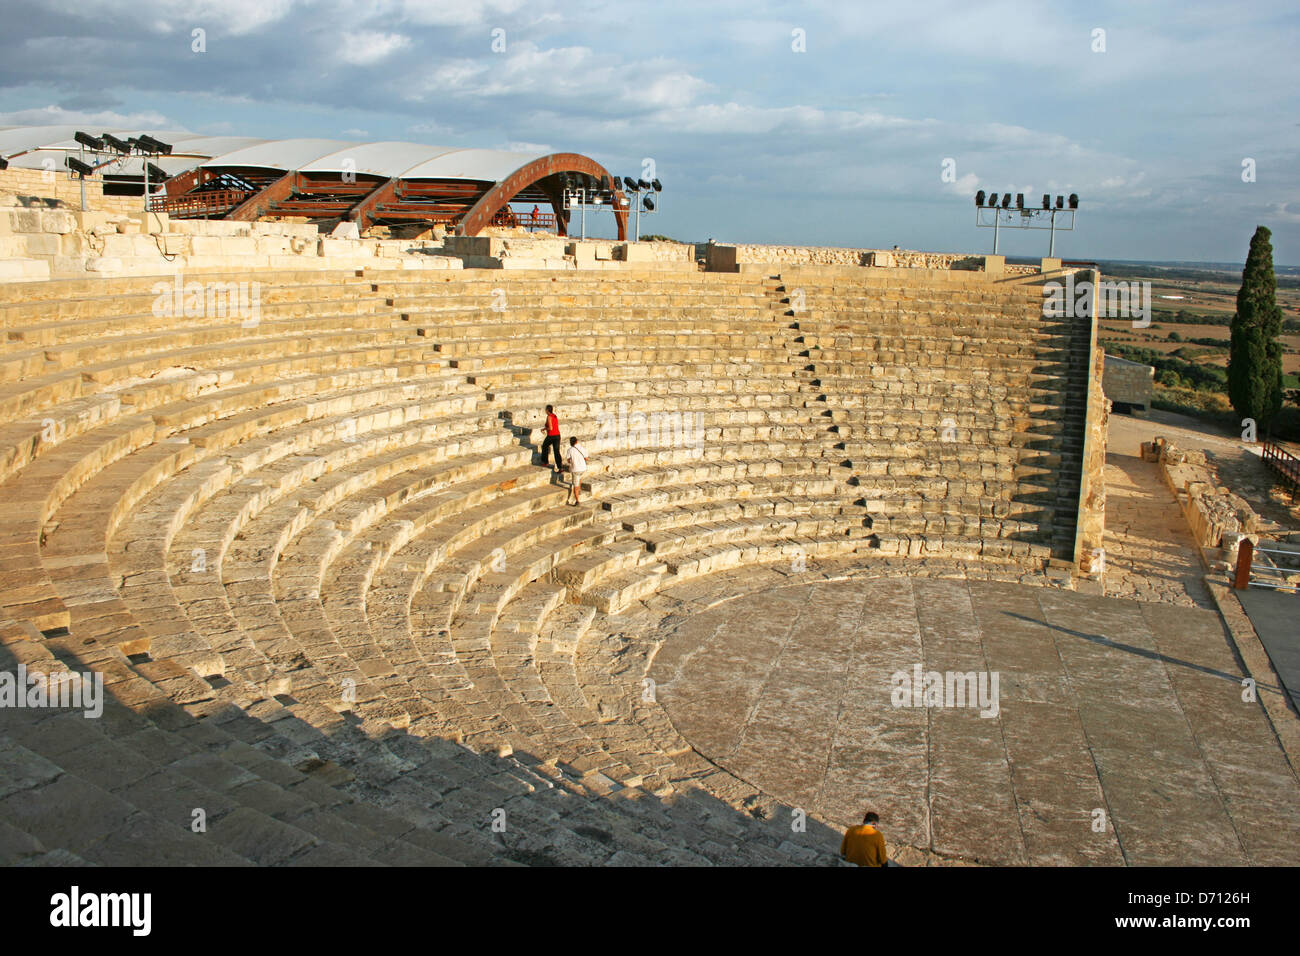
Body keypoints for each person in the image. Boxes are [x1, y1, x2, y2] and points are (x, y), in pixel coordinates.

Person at [563, 436, 589, 505]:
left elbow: (568, 460)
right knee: (579, 478)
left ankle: (577, 501)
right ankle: (579, 490)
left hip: (575, 469)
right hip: (583, 468)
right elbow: (586, 458)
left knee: (575, 486)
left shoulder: (570, 450)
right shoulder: (582, 448)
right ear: (576, 441)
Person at [541, 405, 562, 472]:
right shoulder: (554, 416)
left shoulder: (549, 417)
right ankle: (560, 467)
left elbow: (550, 428)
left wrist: (544, 429)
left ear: (547, 410)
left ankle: (545, 462)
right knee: (556, 451)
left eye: (545, 410)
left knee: (544, 446)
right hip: (557, 435)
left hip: (551, 435)